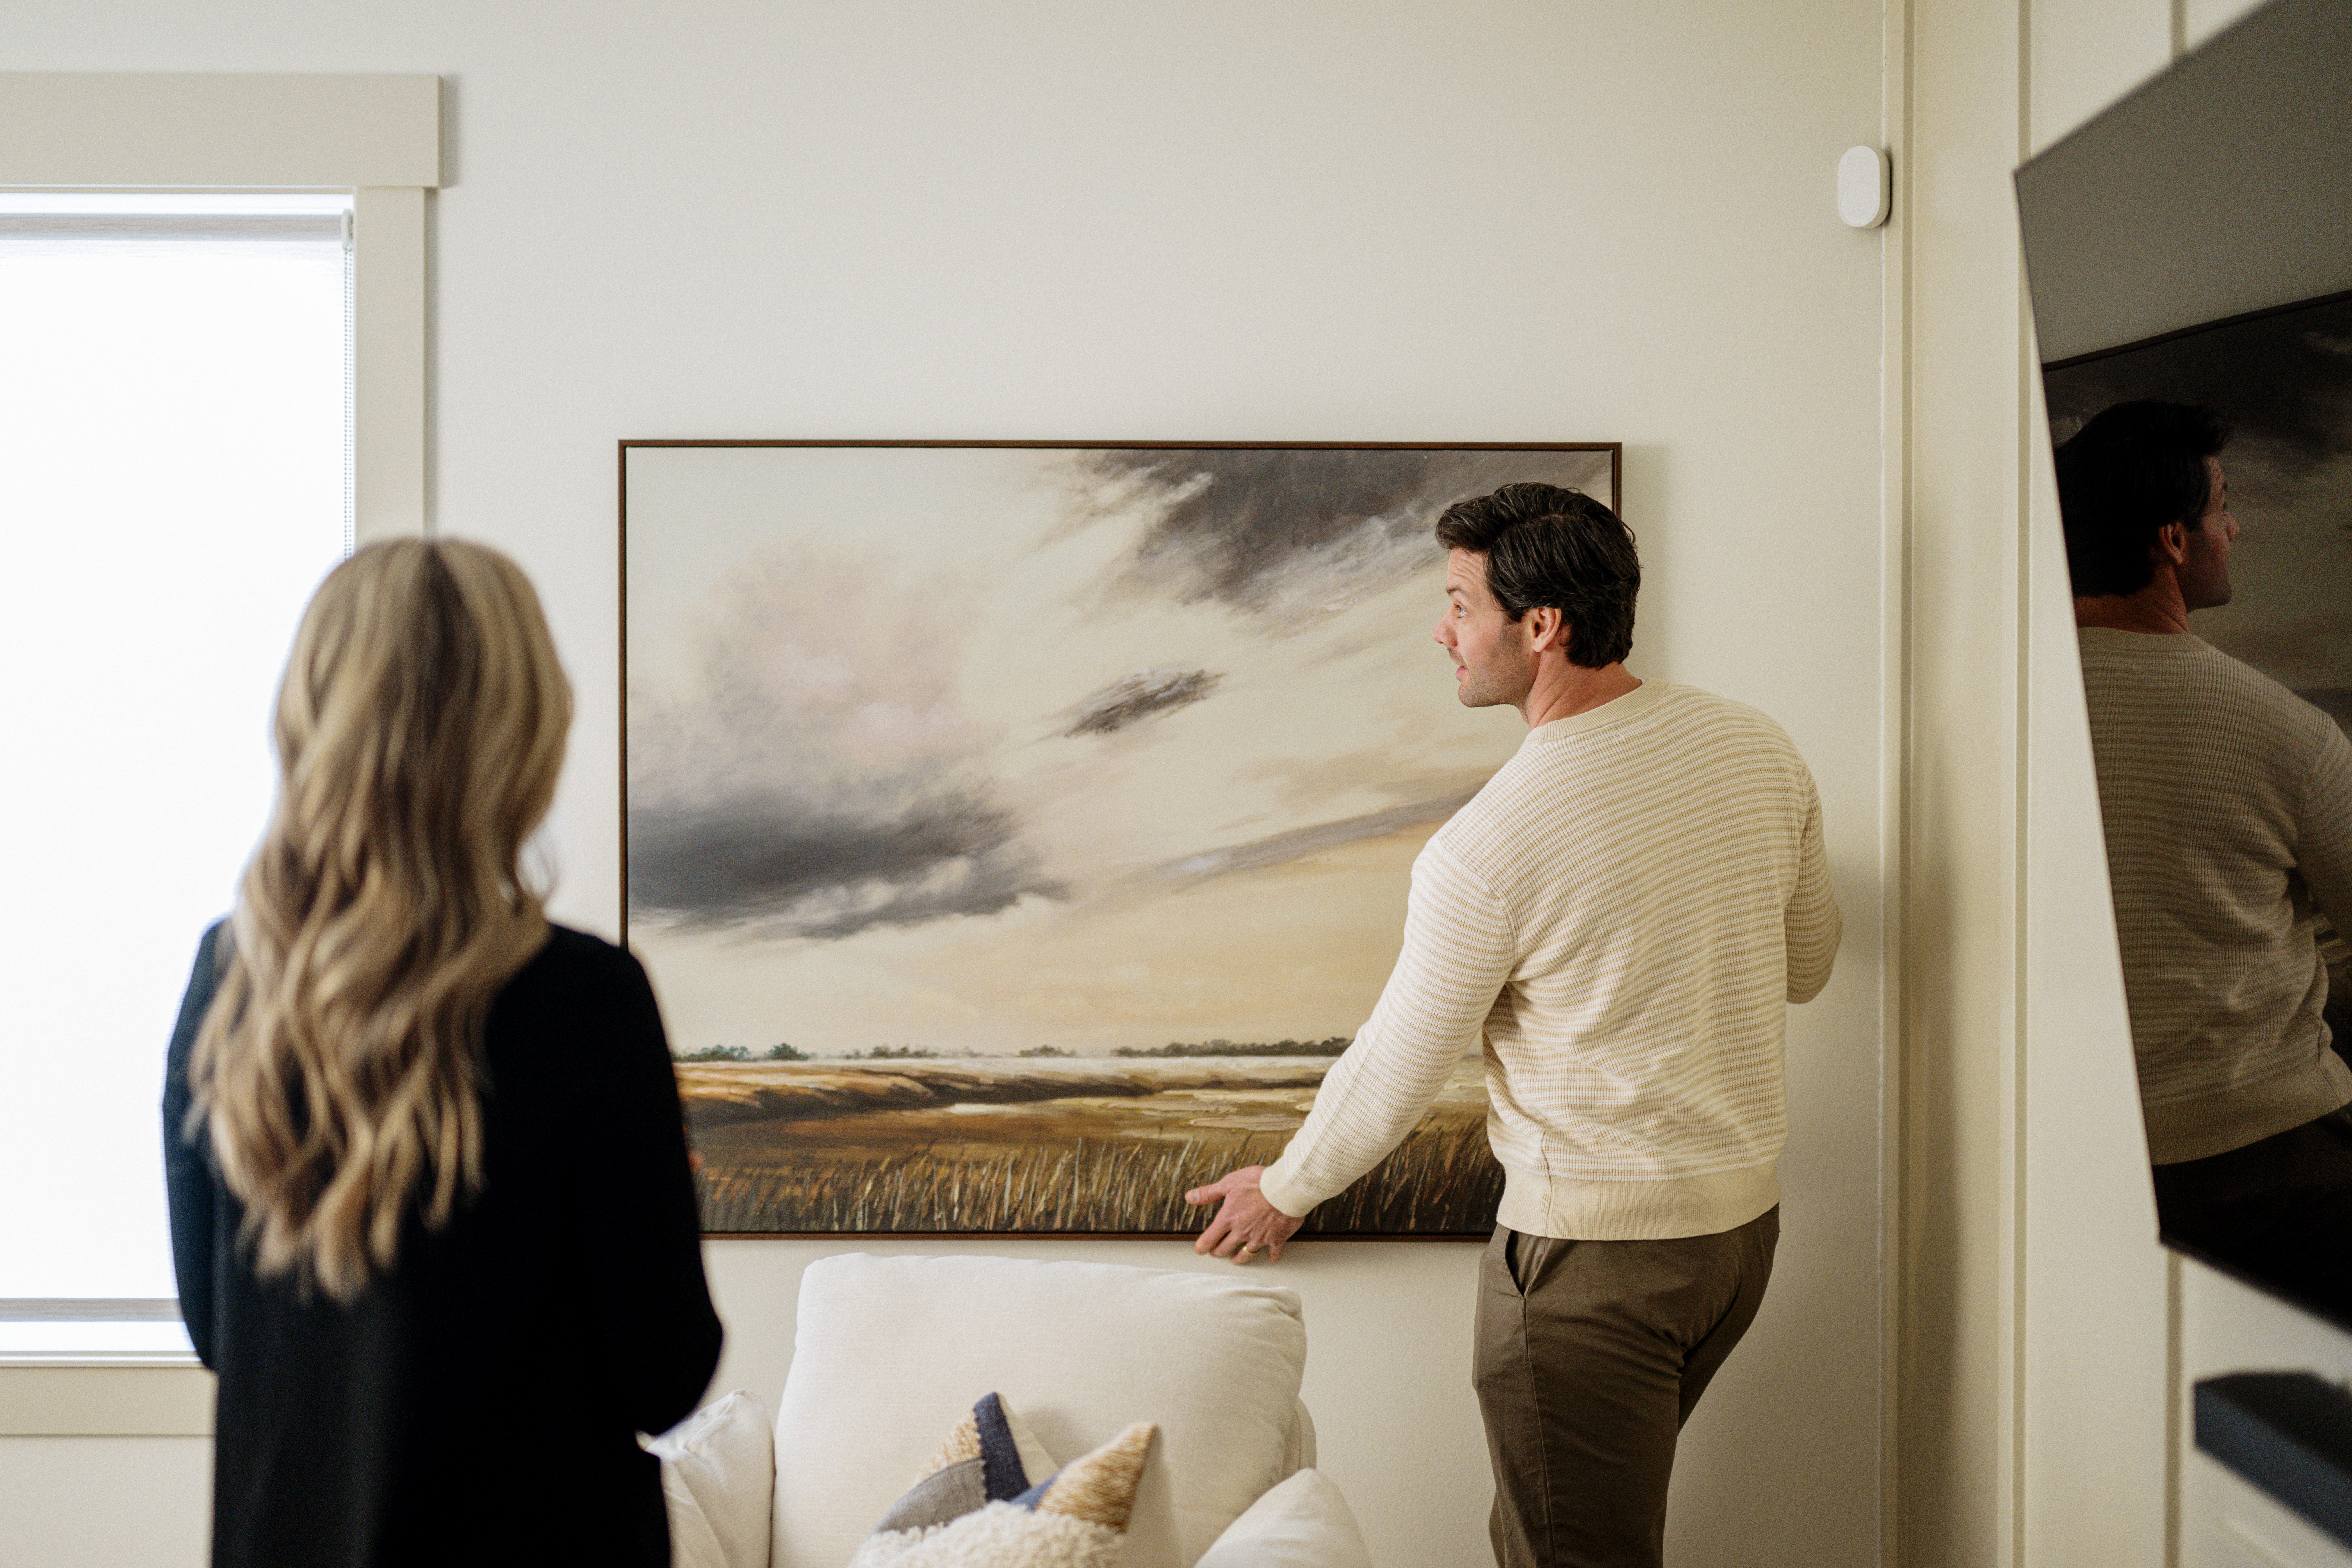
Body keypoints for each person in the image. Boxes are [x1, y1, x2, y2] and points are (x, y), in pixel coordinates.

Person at [1183, 483, 1841, 1568]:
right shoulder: (1755, 747)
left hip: (1593, 1271)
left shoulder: (1490, 846)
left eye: (1457, 604)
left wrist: (1286, 1186)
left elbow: (1401, 1058)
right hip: (1739, 1243)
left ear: (1542, 628)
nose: (1441, 631)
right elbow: (1808, 966)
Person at [164, 538, 722, 1567]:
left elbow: (221, 1335)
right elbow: (665, 1373)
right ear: (524, 730)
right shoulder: (587, 1000)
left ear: (312, 719)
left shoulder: (228, 983)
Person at [2059, 399, 2352, 1309]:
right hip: (2274, 1170)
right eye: (2223, 504)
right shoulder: (2289, 734)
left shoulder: (2000, 720)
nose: (2236, 524)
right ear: (2173, 544)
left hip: (2065, 1160)